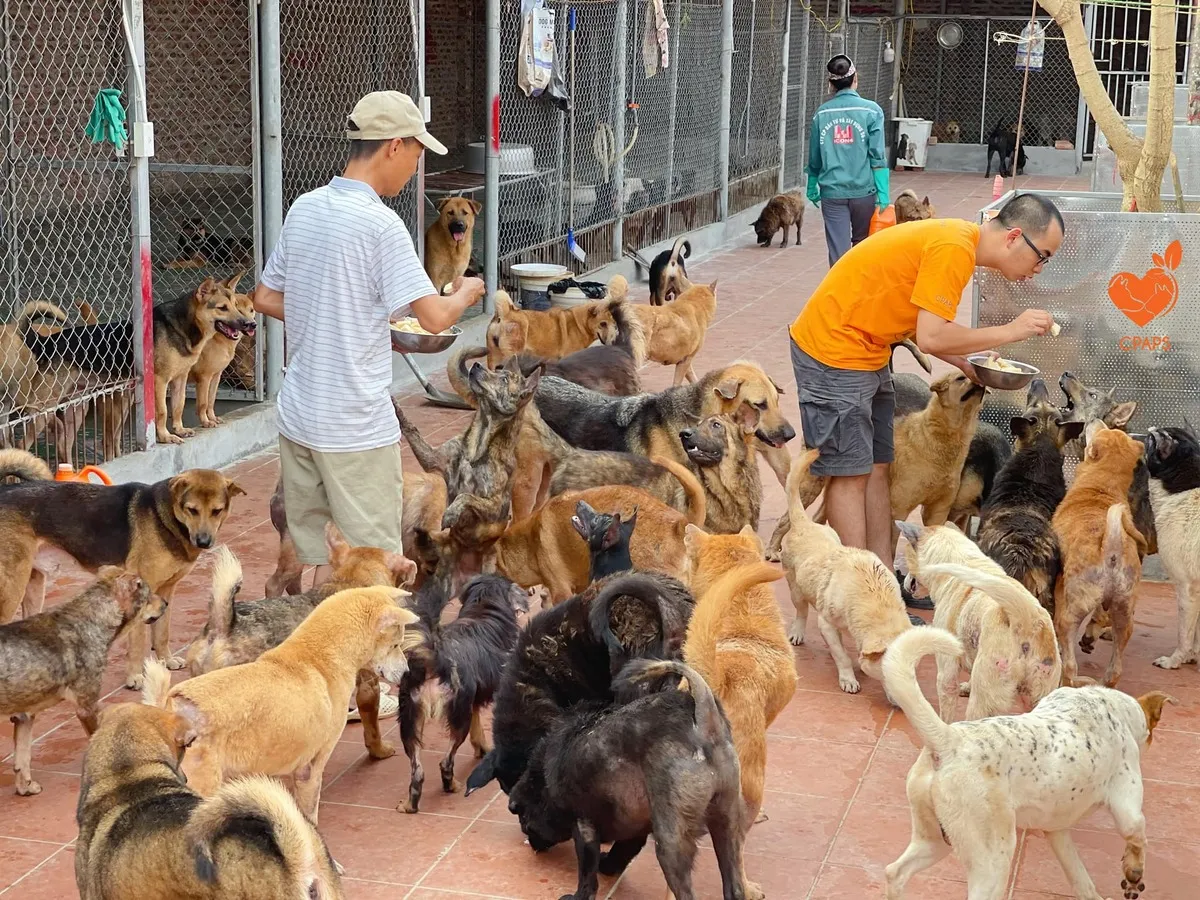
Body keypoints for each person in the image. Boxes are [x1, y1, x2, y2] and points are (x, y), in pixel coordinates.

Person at [253, 91, 485, 716]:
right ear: (393, 147)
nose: (417, 166)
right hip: (354, 421)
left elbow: (266, 297)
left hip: (300, 412)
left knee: (320, 558)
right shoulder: (381, 225)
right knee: (378, 568)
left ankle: (312, 677)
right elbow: (433, 316)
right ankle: (373, 689)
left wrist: (343, 318)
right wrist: (467, 292)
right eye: (416, 153)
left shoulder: (305, 207)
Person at [788, 192, 1064, 610]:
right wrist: (1010, 331)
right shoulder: (954, 249)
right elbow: (933, 336)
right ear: (1013, 237)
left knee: (878, 467)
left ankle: (884, 580)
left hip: (868, 348)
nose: (1039, 269)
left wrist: (967, 365)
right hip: (833, 349)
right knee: (849, 475)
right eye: (1042, 256)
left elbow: (923, 328)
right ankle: (862, 596)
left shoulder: (959, 246)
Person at [805, 54, 889, 268]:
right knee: (863, 247)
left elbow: (815, 156)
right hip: (864, 192)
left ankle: (840, 288)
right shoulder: (872, 111)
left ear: (831, 84)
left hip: (832, 193)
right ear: (855, 78)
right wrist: (883, 193)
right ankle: (861, 288)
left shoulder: (821, 114)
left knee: (838, 254)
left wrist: (812, 184)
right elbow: (877, 155)